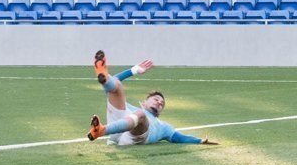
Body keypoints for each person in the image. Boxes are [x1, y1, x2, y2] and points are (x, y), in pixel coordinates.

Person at [86, 51, 218, 146]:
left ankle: (102, 130)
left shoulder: (163, 126)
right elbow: (113, 86)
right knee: (116, 86)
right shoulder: (129, 108)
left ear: (160, 112)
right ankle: (103, 77)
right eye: (156, 99)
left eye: (162, 103)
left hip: (134, 137)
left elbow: (179, 137)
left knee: (140, 115)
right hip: (120, 124)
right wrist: (133, 70)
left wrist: (199, 141)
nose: (160, 102)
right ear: (144, 102)